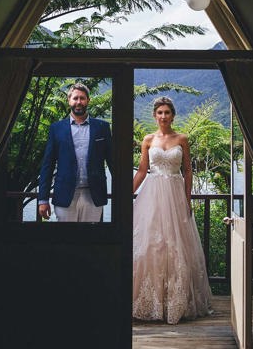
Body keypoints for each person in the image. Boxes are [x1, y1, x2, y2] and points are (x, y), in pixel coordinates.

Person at [132, 96, 213, 323]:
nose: (164, 116)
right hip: (153, 194)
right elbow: (141, 171)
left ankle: (176, 301)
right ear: (154, 115)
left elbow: (188, 171)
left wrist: (187, 200)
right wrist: (125, 193)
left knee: (177, 246)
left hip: (175, 195)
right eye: (160, 113)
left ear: (173, 115)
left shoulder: (182, 139)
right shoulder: (148, 140)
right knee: (152, 245)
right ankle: (151, 300)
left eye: (167, 112)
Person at [37, 83, 113, 222]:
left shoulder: (102, 127)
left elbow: (112, 162)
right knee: (66, 240)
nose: (79, 102)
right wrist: (43, 199)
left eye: (82, 98)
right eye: (75, 98)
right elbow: (47, 165)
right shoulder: (56, 128)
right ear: (69, 101)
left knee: (91, 241)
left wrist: (124, 190)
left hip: (93, 195)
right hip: (65, 195)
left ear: (88, 100)